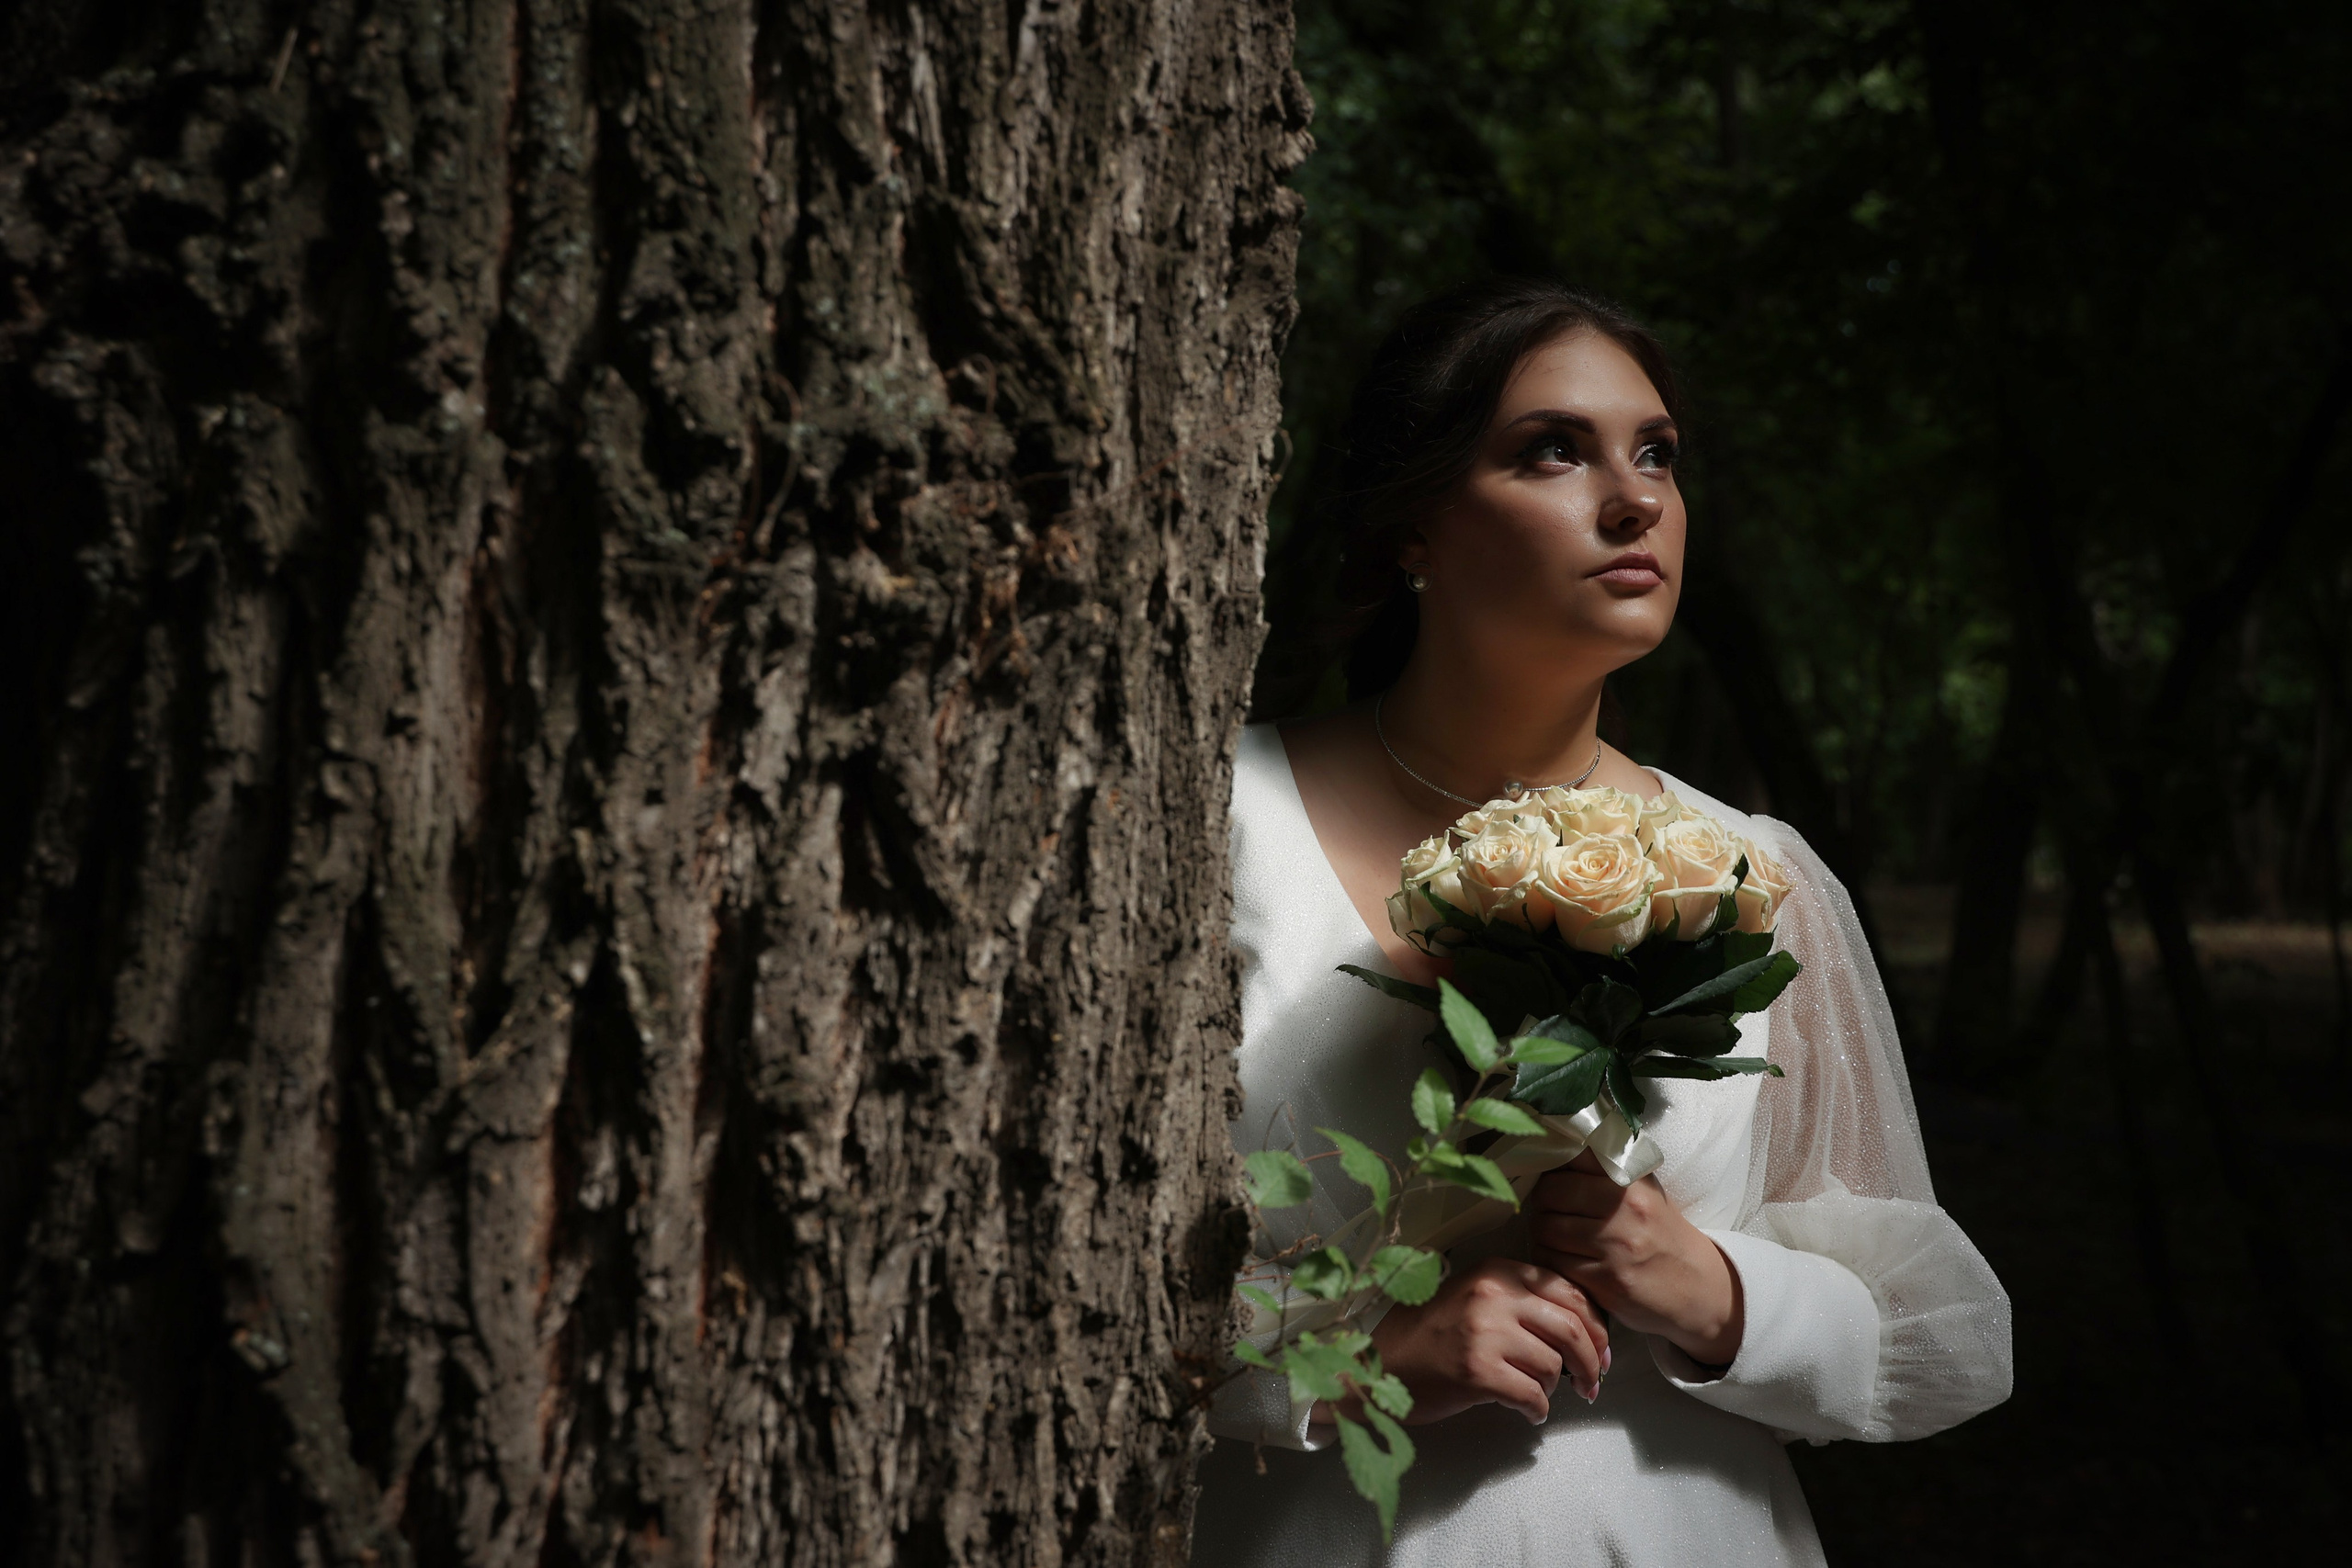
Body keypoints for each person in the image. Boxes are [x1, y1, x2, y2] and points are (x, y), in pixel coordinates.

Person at [1192, 277, 2012, 1566]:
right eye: (1552, 451)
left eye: (1658, 455)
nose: (1634, 500)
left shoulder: (1754, 872)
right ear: (1412, 524)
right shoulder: (1212, 826)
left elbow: (1932, 1328)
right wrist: (1350, 1357)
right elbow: (1056, 1286)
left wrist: (1717, 1289)